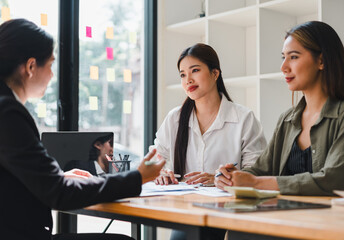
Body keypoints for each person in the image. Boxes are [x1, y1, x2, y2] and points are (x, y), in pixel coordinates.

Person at [0, 18, 165, 240]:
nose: (51, 75)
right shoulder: (8, 113)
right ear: (30, 67)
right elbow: (60, 194)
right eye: (50, 65)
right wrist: (137, 177)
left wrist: (53, 177)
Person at [215, 21, 344, 196]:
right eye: (283, 57)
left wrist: (255, 182)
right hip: (284, 217)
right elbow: (261, 171)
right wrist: (230, 177)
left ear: (321, 61)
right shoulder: (287, 119)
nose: (283, 67)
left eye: (293, 57)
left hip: (330, 221)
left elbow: (336, 179)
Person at [151, 43, 266, 240]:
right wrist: (161, 171)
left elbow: (257, 172)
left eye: (195, 70)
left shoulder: (244, 118)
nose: (188, 80)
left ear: (215, 74)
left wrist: (219, 179)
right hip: (187, 211)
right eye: (182, 75)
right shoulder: (175, 118)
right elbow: (156, 156)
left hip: (233, 211)